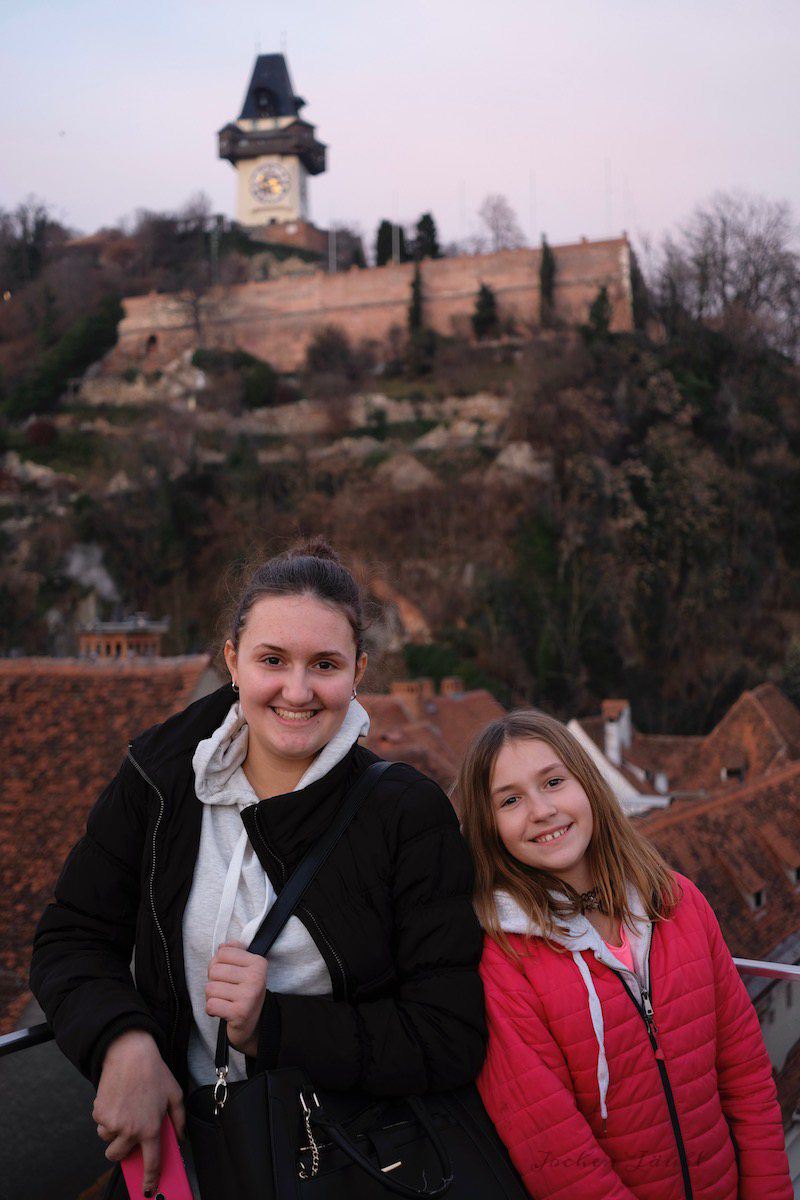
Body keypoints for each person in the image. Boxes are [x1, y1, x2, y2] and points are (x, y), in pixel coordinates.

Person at [31, 540, 485, 1198]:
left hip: (347, 1164)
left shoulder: (404, 814)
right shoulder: (160, 780)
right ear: (232, 662)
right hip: (191, 1156)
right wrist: (122, 1042)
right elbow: (72, 935)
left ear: (358, 671)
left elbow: (448, 1035)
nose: (297, 691)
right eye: (272, 660)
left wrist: (275, 1027)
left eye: (324, 664)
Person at [456, 708, 792, 1200]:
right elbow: (557, 1156)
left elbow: (747, 1077)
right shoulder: (503, 961)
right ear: (489, 828)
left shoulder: (678, 903)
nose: (541, 810)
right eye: (510, 800)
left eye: (553, 782)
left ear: (588, 784)